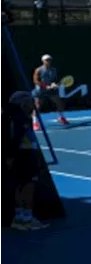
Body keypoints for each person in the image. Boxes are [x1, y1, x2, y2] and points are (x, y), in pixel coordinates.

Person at [4, 91, 48, 230]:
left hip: (20, 156)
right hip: (25, 156)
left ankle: (19, 219)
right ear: (23, 103)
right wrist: (11, 156)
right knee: (28, 188)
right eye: (29, 102)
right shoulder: (21, 119)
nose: (32, 104)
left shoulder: (14, 117)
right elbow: (16, 139)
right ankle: (28, 220)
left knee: (20, 186)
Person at [31, 54, 69, 131]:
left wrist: (54, 84)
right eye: (46, 60)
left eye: (49, 60)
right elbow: (35, 80)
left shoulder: (53, 69)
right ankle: (35, 123)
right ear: (43, 61)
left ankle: (61, 117)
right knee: (37, 106)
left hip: (51, 90)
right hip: (40, 90)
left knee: (59, 103)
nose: (48, 61)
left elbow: (55, 79)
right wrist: (45, 86)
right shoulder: (38, 70)